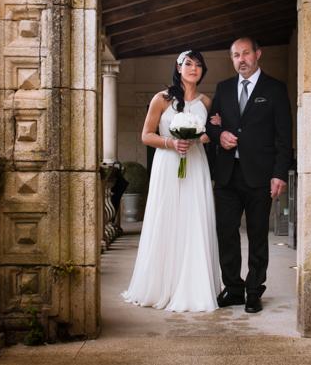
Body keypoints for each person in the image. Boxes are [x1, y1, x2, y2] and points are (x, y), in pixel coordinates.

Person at [122, 50, 222, 312]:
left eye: (199, 65)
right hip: (167, 165)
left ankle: (194, 286)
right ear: (178, 68)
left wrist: (205, 135)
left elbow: (208, 135)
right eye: (188, 63)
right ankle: (160, 284)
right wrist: (170, 142)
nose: (193, 68)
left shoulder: (206, 102)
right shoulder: (161, 99)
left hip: (196, 164)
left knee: (194, 219)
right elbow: (146, 135)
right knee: (167, 218)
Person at [207, 37, 293, 313]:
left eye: (245, 53)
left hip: (260, 176)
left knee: (257, 235)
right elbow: (210, 125)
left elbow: (283, 137)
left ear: (258, 53)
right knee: (226, 233)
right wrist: (221, 135)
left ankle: (254, 290)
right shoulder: (223, 88)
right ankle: (233, 288)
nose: (241, 59)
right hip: (227, 175)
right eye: (235, 55)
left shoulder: (276, 89)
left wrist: (279, 173)